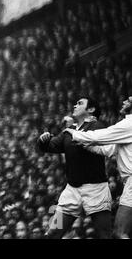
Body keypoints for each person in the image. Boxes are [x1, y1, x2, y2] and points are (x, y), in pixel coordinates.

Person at [37, 97, 112, 239]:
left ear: (91, 110)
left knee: (104, 235)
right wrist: (43, 141)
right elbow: (52, 146)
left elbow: (95, 141)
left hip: (96, 190)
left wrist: (77, 132)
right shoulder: (69, 131)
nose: (75, 105)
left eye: (80, 103)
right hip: (71, 191)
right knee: (53, 232)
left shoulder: (98, 126)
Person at [65, 96, 132, 239]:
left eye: (129, 101)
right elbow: (108, 150)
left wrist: (73, 132)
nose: (124, 102)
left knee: (120, 232)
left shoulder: (129, 123)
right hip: (128, 182)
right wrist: (83, 143)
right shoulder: (125, 127)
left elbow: (98, 137)